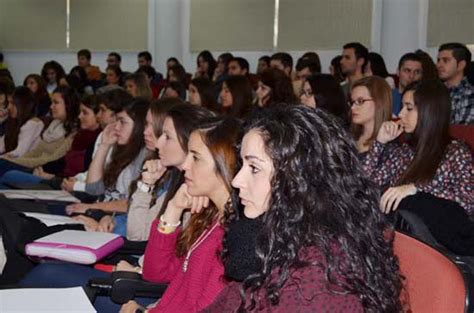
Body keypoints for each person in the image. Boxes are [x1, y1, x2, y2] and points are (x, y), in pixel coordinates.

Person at [203, 105, 403, 312]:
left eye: (254, 168)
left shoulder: (317, 278)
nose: (236, 181)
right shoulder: (276, 236)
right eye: (241, 165)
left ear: (298, 179)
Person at [121, 115, 241, 313]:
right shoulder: (209, 218)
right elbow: (156, 273)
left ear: (224, 163)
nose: (185, 165)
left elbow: (202, 308)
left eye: (195, 157)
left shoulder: (233, 235)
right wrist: (173, 208)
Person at [363, 80, 473, 254]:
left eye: (408, 108)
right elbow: (366, 185)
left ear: (429, 111)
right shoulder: (404, 150)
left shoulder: (455, 151)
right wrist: (380, 142)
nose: (400, 114)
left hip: (444, 241)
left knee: (410, 202)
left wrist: (416, 190)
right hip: (406, 236)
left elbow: (467, 202)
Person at [0, 95, 101, 188]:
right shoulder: (74, 133)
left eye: (85, 113)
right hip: (48, 173)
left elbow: (55, 159)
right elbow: (52, 158)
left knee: (8, 174)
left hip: (59, 181)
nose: (80, 116)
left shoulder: (88, 138)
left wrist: (51, 176)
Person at [61, 89, 132, 193]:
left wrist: (77, 186)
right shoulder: (103, 135)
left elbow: (108, 184)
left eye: (103, 110)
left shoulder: (126, 141)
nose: (98, 115)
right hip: (90, 187)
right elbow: (93, 171)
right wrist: (77, 178)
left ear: (117, 114)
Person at [0, 86, 79, 178]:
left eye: (56, 103)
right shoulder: (54, 124)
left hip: (44, 170)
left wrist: (14, 161)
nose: (51, 106)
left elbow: (52, 159)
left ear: (69, 105)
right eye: (51, 102)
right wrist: (13, 160)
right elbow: (36, 152)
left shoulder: (74, 131)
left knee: (5, 169)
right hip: (33, 166)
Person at [350, 76, 392, 155]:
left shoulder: (391, 146)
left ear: (379, 103)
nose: (352, 107)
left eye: (360, 101)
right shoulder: (348, 137)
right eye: (352, 102)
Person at [0, 86, 44, 157]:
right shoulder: (15, 121)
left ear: (23, 105)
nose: (8, 107)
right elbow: (2, 144)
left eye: (13, 103)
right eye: (9, 103)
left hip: (25, 164)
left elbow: (19, 153)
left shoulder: (32, 123)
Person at [437, 42, 474, 124]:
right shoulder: (435, 92)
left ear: (461, 65)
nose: (439, 65)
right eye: (438, 60)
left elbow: (463, 132)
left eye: (445, 60)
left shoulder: (470, 95)